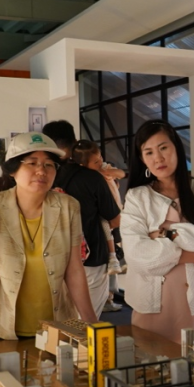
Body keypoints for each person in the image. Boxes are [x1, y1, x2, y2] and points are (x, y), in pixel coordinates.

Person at [0, 132, 97, 346]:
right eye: (32, 163)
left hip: (58, 327)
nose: (41, 171)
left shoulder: (68, 206)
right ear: (13, 170)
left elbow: (74, 270)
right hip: (2, 329)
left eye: (49, 164)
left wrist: (93, 326)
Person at [120, 120, 194, 342]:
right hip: (153, 306)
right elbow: (137, 255)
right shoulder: (137, 197)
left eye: (163, 148)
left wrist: (166, 232)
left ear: (176, 148)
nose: (158, 158)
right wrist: (193, 255)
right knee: (153, 359)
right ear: (142, 159)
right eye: (149, 152)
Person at [42, 121, 121, 321]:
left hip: (50, 261)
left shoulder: (40, 179)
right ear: (75, 142)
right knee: (85, 324)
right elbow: (114, 219)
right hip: (90, 260)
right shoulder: (92, 177)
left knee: (55, 323)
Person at [72, 139, 127, 311]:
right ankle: (113, 257)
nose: (100, 162)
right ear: (83, 164)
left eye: (100, 158)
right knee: (105, 228)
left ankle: (109, 297)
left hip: (114, 209)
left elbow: (122, 173)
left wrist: (109, 172)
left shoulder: (102, 170)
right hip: (105, 216)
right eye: (95, 162)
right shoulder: (92, 178)